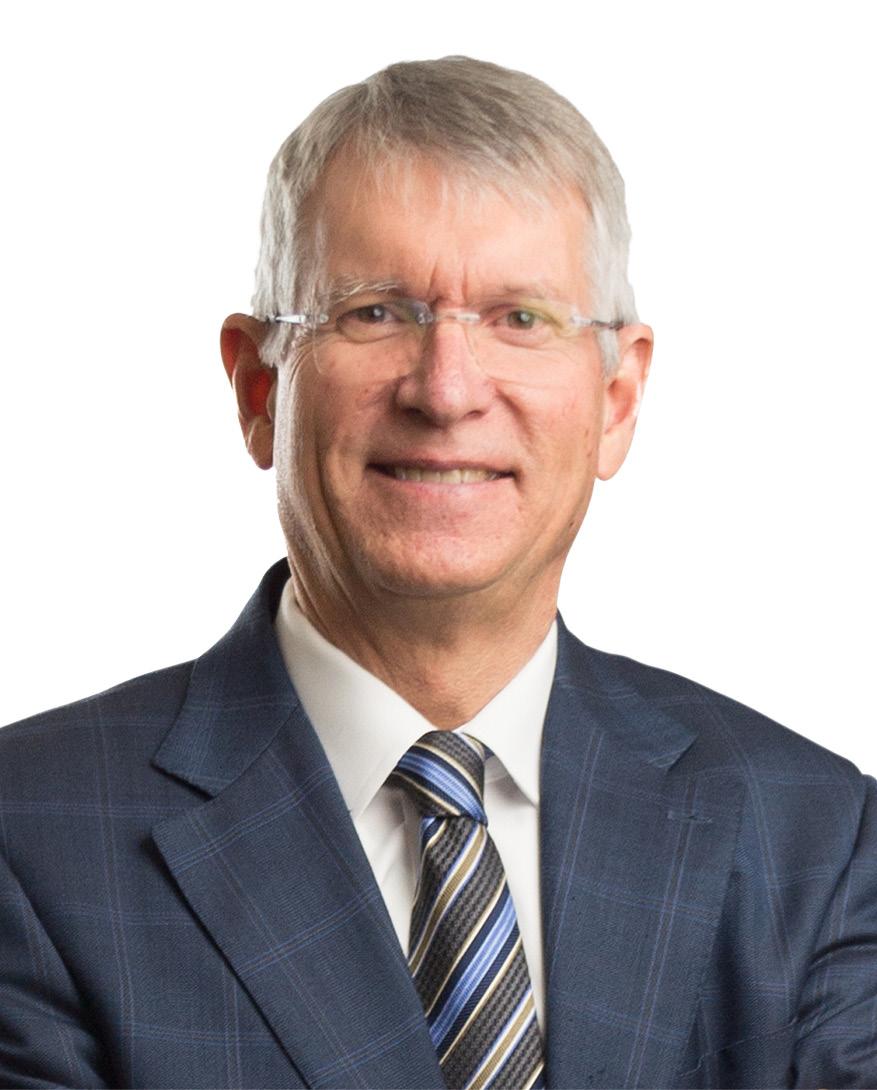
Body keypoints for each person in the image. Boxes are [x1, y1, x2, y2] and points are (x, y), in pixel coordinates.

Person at [0, 55, 874, 1090]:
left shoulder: (816, 840)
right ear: (256, 388)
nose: (448, 390)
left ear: (618, 400)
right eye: (375, 311)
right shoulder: (30, 840)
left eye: (521, 318)